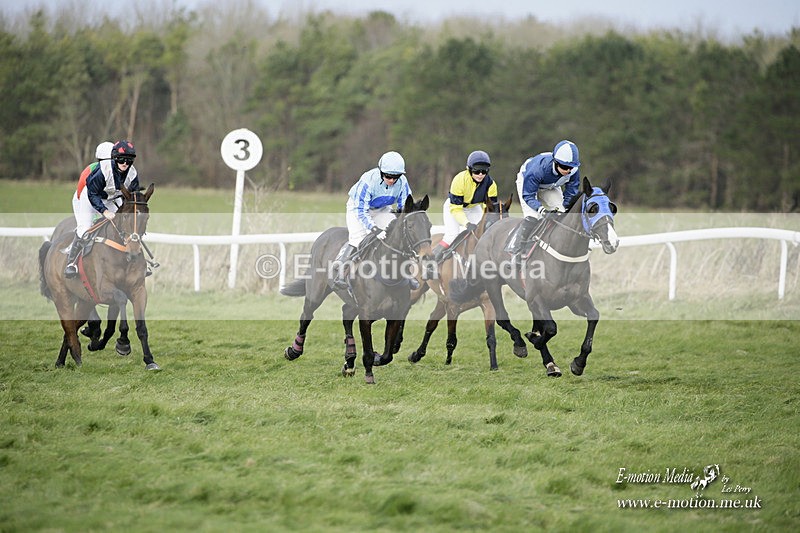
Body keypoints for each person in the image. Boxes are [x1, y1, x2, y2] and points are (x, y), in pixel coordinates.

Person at [331, 151, 412, 290]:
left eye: (396, 177)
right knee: (359, 239)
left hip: (381, 209)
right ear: (381, 172)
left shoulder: (403, 182)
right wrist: (374, 229)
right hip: (358, 208)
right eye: (388, 176)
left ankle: (406, 274)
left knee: (397, 235)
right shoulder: (368, 181)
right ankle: (342, 270)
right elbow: (361, 211)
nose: (392, 180)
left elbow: (404, 206)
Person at [65, 140, 140, 277]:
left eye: (128, 161)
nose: (125, 164)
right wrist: (104, 211)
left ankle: (133, 258)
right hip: (89, 198)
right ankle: (71, 263)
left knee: (126, 225)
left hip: (111, 198)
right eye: (121, 160)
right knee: (85, 229)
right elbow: (91, 194)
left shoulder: (132, 174)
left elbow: (130, 195)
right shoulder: (101, 171)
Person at [504, 140, 582, 260]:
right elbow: (529, 195)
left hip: (551, 186)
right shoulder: (538, 169)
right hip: (527, 182)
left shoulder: (573, 171)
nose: (568, 171)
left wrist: (565, 207)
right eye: (565, 167)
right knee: (534, 216)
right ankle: (516, 248)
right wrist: (542, 210)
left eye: (571, 167)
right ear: (555, 162)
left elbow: (571, 191)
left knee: (562, 212)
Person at [430, 150, 498, 263]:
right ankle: (431, 264)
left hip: (473, 208)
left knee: (484, 233)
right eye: (477, 171)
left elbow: (490, 209)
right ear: (469, 169)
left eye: (484, 170)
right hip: (454, 207)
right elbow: (456, 209)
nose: (480, 174)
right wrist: (466, 223)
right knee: (451, 235)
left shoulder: (491, 184)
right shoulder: (459, 180)